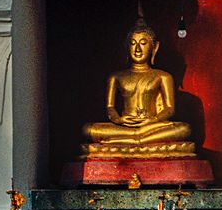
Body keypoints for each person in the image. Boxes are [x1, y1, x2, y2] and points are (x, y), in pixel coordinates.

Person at [82, 18, 192, 146]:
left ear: (154, 48)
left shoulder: (163, 76)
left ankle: (130, 141)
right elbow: (109, 107)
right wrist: (119, 119)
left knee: (184, 129)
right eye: (133, 43)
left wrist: (152, 120)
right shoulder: (116, 76)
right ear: (127, 47)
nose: (138, 49)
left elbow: (169, 109)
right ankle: (136, 139)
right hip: (125, 127)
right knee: (88, 129)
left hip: (151, 126)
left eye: (143, 43)